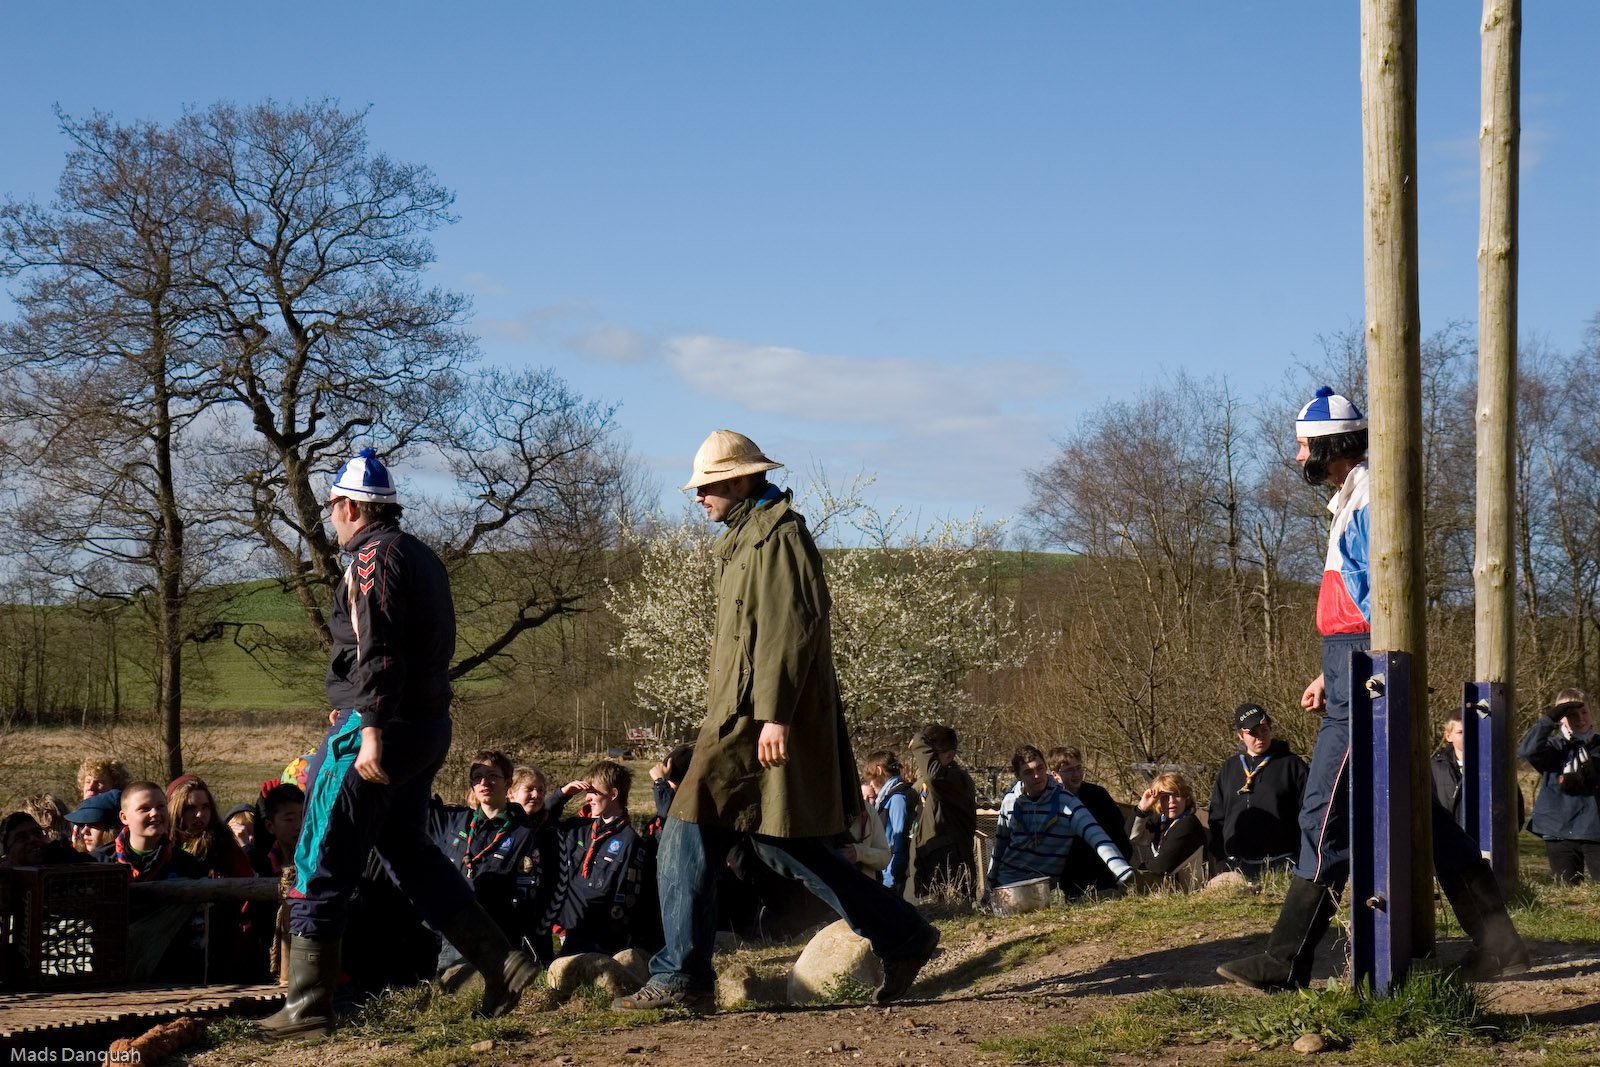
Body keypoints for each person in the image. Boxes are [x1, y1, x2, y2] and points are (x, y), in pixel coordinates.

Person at [613, 431, 940, 1014]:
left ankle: (682, 974)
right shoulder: (746, 538)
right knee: (781, 846)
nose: (698, 497)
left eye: (708, 486)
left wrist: (775, 716)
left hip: (754, 720)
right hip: (738, 715)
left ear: (741, 481)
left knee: (685, 827)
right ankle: (904, 935)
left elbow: (790, 631)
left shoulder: (780, 536)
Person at [1219, 387, 1528, 991]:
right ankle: (1501, 946)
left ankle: (1286, 961)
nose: (1298, 456)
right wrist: (1329, 670)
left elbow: (1383, 602)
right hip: (1353, 666)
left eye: (1303, 445)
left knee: (1323, 813)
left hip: (1366, 674)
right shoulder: (1351, 498)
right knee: (1421, 815)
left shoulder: (1367, 500)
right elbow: (1360, 602)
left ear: (1331, 446)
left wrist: (1353, 667)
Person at [262, 448, 535, 1039]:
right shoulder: (420, 555)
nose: (331, 520)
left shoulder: (370, 560)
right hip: (427, 726)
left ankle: (307, 1006)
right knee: (409, 852)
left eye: (333, 508)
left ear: (349, 506)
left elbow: (377, 650)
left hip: (376, 730)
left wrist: (369, 728)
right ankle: (501, 963)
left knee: (318, 851)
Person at [428, 750, 559, 978]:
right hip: (451, 936)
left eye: (492, 776)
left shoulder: (522, 834)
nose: (484, 783)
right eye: (477, 777)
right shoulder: (454, 821)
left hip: (496, 936)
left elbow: (527, 897)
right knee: (449, 991)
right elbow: (413, 801)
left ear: (507, 783)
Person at [985, 745, 1132, 895]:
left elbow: (1096, 836)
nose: (1037, 776)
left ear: (1046, 768)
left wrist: (1123, 871)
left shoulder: (1066, 802)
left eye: (1040, 768)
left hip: (1043, 889)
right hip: (1007, 885)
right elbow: (999, 849)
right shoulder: (1010, 801)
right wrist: (986, 894)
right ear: (1018, 775)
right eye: (1029, 772)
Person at [547, 760, 656, 956]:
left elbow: (627, 899)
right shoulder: (580, 829)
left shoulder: (630, 842)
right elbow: (540, 822)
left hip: (603, 940)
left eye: (593, 792)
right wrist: (562, 795)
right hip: (571, 929)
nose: (587, 798)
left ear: (613, 794)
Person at [1207, 705, 1309, 880]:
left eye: (1264, 730)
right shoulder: (1229, 768)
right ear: (1241, 736)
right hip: (1236, 864)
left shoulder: (1292, 764)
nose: (1260, 737)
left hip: (1283, 862)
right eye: (1253, 733)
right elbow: (1217, 817)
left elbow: (1309, 810)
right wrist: (1220, 857)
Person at [1518, 690, 1600, 885]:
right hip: (1558, 830)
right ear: (1561, 718)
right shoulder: (1554, 748)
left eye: (1584, 712)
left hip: (1595, 828)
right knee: (1566, 891)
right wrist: (1549, 720)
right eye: (1572, 714)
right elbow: (1527, 751)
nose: (1580, 719)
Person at [1048, 746, 1134, 897]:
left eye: (1078, 768)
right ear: (1055, 775)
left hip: (1103, 876)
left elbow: (1120, 837)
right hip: (1068, 880)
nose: (1076, 774)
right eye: (1069, 770)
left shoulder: (1098, 796)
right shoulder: (1049, 801)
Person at [909, 723, 978, 897]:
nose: (925, 759)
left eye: (931, 754)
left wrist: (919, 740)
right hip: (927, 872)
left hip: (952, 875)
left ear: (949, 755)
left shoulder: (958, 781)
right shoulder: (924, 786)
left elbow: (933, 776)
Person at [1128, 772, 1206, 891]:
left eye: (1177, 795)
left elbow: (1162, 867)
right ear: (1157, 801)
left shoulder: (1189, 824)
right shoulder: (1160, 820)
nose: (1172, 801)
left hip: (1191, 895)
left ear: (1186, 797)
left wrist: (1137, 871)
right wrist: (1142, 809)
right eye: (1164, 797)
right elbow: (1130, 838)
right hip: (1166, 893)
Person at [168, 775, 255, 878]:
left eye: (205, 807)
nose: (200, 814)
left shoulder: (225, 848)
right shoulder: (164, 848)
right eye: (190, 808)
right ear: (176, 811)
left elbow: (246, 882)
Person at [863, 749, 919, 895]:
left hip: (891, 876)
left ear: (879, 771)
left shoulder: (896, 799)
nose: (870, 784)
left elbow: (898, 841)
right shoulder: (888, 798)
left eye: (870, 778)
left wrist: (890, 880)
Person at [1432, 708, 1467, 826]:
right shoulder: (1436, 768)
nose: (1466, 736)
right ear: (1448, 736)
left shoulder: (1488, 766)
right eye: (1460, 732)